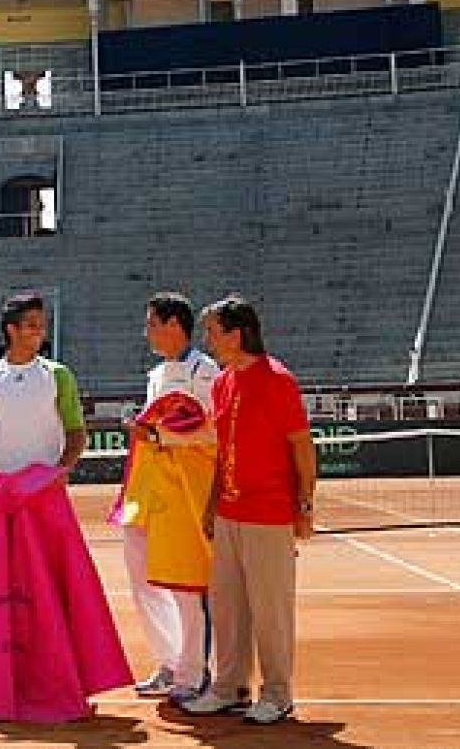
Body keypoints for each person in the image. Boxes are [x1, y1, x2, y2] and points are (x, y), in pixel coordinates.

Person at [0, 293, 129, 722]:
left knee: (55, 589)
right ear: (10, 329)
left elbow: (75, 431)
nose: (39, 333)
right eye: (31, 325)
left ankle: (60, 681)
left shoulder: (58, 376)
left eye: (41, 326)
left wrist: (63, 468)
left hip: (43, 497)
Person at [183, 296, 318, 726]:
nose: (208, 338)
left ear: (237, 333)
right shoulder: (222, 383)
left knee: (270, 608)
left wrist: (305, 505)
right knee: (227, 606)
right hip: (229, 512)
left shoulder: (278, 380)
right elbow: (223, 452)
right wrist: (211, 505)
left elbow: (301, 446)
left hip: (270, 513)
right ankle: (229, 688)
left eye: (213, 331)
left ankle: (278, 693)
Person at [115, 293, 220, 703]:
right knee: (142, 578)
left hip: (186, 492)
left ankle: (193, 674)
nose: (147, 332)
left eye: (152, 323)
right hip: (149, 489)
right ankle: (169, 661)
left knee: (186, 584)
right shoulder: (157, 373)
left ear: (174, 325)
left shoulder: (205, 371)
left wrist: (159, 435)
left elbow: (213, 432)